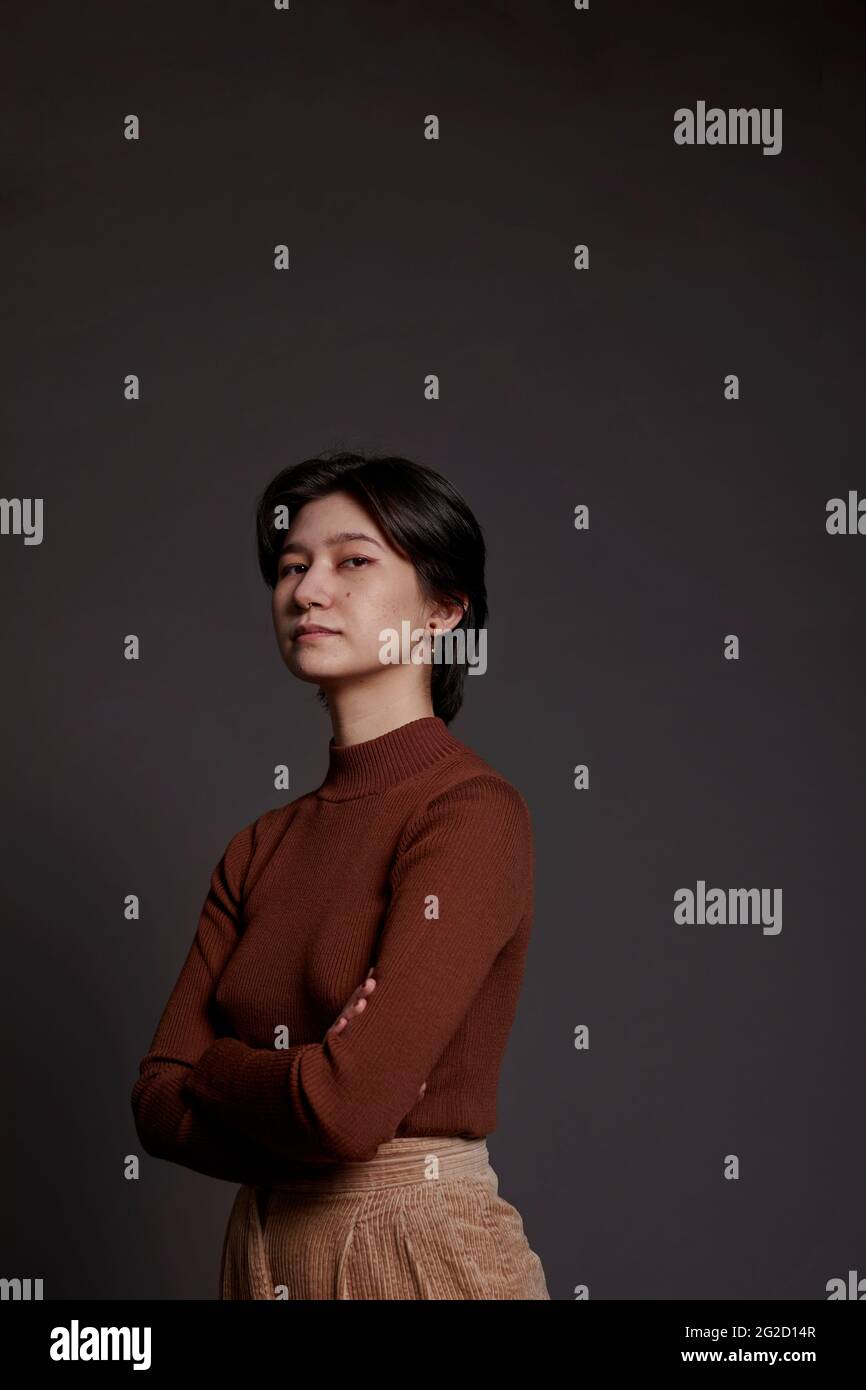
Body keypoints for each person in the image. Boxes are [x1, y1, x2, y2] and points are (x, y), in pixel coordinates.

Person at [130, 449, 550, 1300]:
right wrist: (308, 1075)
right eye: (292, 566)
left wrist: (219, 1070)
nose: (307, 590)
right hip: (260, 1249)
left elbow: (348, 1110)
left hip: (417, 1246)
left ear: (442, 609)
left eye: (352, 561)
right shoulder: (259, 847)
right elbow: (155, 1102)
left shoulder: (469, 814)